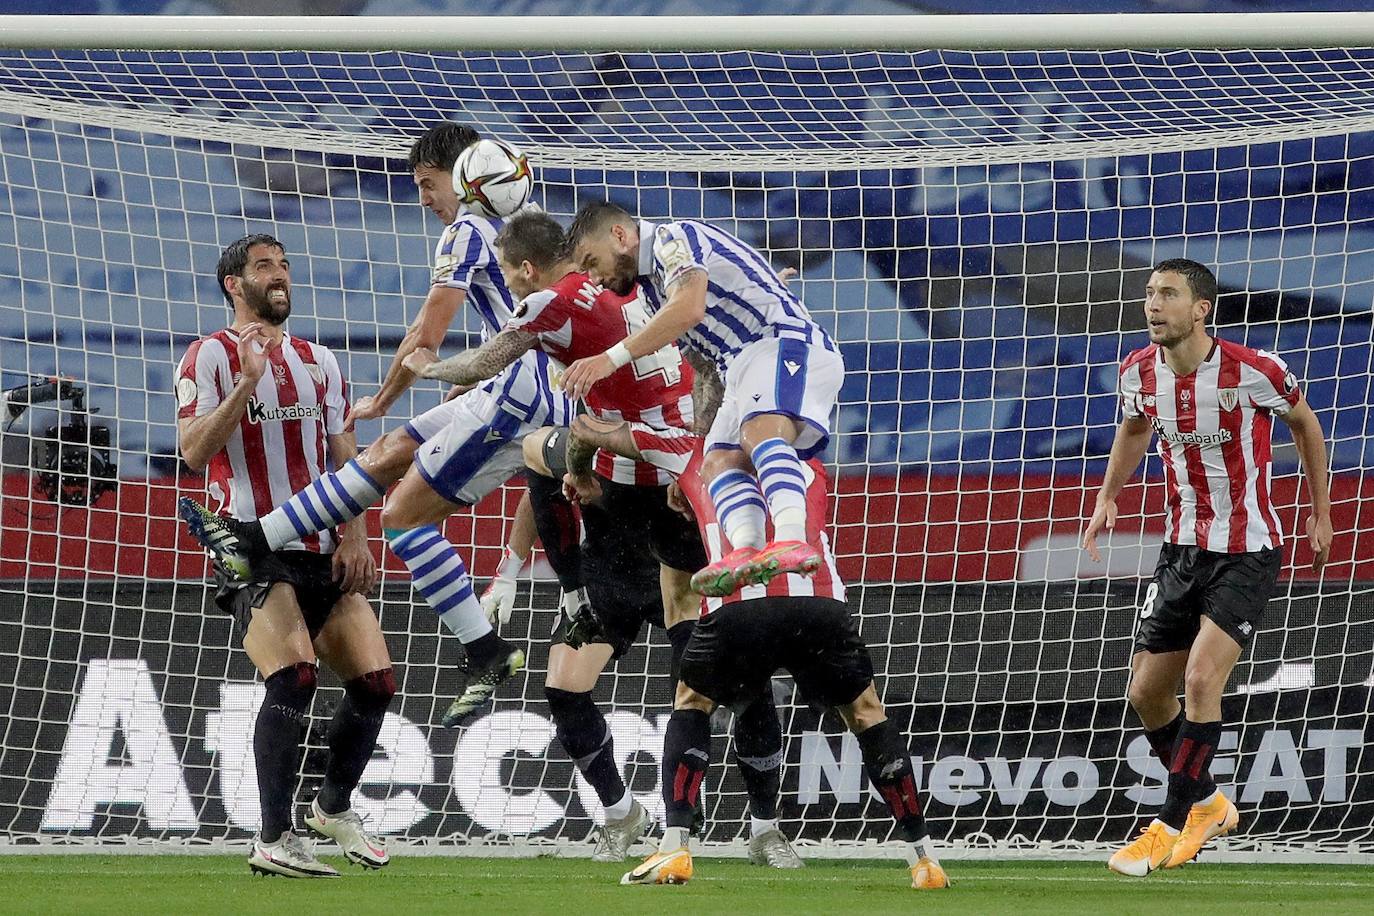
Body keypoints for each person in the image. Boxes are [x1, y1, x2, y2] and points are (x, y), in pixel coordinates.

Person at [407, 210, 798, 866]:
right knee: (564, 683)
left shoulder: (587, 327)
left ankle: (762, 825)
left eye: (506, 272)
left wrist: (423, 366)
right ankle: (622, 815)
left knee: (730, 683)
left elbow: (493, 362)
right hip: (613, 549)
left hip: (675, 540)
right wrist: (545, 542)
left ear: (527, 271)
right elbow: (551, 453)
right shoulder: (623, 305)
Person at [180, 123, 569, 726]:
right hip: (534, 388)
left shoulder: (465, 229)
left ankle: (486, 651)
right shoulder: (532, 224)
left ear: (465, 175)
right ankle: (255, 540)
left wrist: (385, 394)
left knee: (401, 516)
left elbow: (424, 335)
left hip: (523, 392)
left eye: (426, 183)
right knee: (389, 451)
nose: (424, 199)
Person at [1083, 258, 1333, 876]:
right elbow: (1135, 426)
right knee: (1145, 691)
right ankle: (1211, 801)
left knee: (1200, 681)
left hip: (1247, 550)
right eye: (1149, 294)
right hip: (1181, 549)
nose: (1153, 305)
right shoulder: (1138, 370)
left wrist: (1320, 510)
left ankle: (1167, 824)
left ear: (1201, 309)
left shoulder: (1255, 371)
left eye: (1168, 294)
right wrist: (1108, 493)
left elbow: (1306, 425)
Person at [620, 445, 949, 890]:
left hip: (738, 606)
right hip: (817, 602)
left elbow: (606, 431)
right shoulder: (808, 462)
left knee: (692, 702)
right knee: (867, 713)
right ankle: (924, 859)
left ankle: (675, 846)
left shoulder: (697, 457)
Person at [176, 234, 395, 877]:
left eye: (285, 265)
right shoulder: (208, 357)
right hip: (250, 543)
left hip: (321, 541)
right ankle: (273, 837)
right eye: (264, 266)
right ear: (232, 284)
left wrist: (356, 532)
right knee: (295, 677)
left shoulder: (319, 360)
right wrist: (246, 384)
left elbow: (341, 453)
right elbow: (191, 452)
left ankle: (330, 807)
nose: (279, 275)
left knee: (376, 683)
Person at [561, 201, 844, 598]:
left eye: (592, 263)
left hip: (782, 343)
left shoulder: (673, 239)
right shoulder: (654, 293)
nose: (594, 279)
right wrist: (694, 448)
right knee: (717, 461)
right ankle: (745, 553)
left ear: (621, 236)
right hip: (738, 366)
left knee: (760, 432)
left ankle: (793, 538)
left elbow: (690, 307)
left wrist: (610, 359)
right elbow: (702, 366)